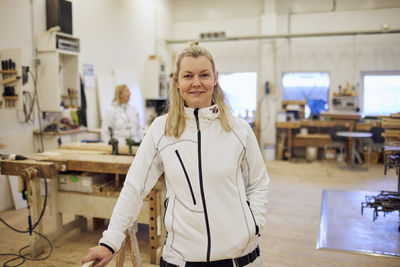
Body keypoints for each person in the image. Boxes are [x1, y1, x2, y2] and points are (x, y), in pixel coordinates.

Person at [82, 42, 269, 267]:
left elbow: (258, 183)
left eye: (204, 75)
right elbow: (135, 186)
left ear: (215, 78)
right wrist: (110, 240)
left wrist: (254, 224)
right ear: (177, 81)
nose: (196, 83)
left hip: (239, 258)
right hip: (181, 258)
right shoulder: (161, 130)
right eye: (188, 75)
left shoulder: (239, 130)